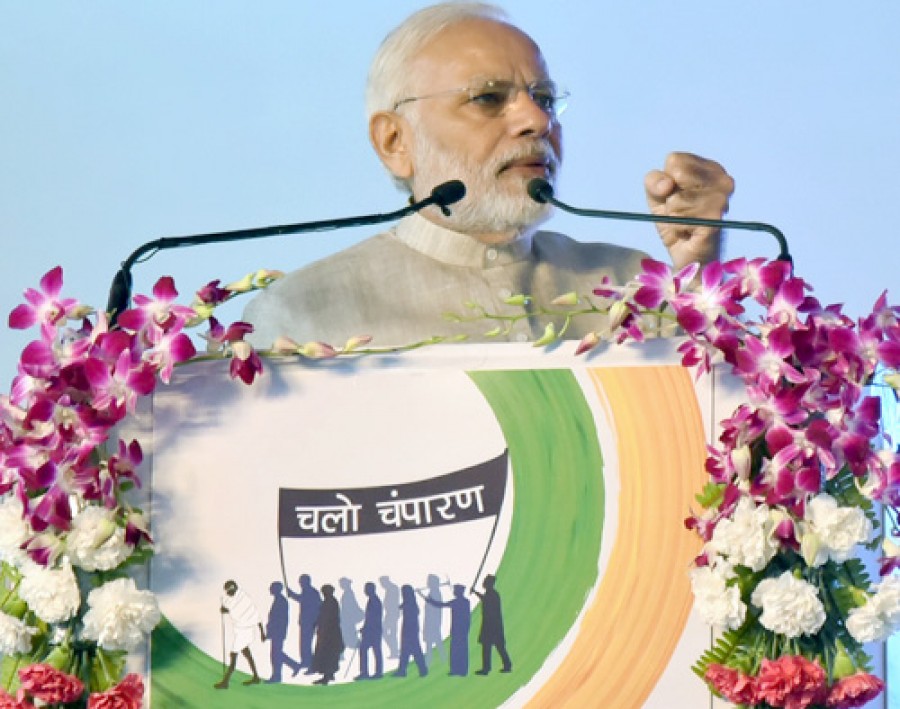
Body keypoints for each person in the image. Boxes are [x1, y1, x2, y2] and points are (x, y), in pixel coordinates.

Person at [243, 2, 733, 349]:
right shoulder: (301, 313)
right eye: (488, 98)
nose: (537, 121)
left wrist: (700, 270)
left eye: (544, 98)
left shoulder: (630, 285)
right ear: (395, 142)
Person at [214, 579, 265, 689]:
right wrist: (225, 610)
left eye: (229, 590)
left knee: (233, 655)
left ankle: (225, 682)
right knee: (247, 654)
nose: (228, 592)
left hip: (245, 632)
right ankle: (256, 677)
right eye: (227, 591)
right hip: (241, 631)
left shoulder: (243, 598)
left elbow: (254, 614)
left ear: (234, 588)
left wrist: (262, 632)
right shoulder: (233, 600)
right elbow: (233, 610)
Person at [473, 574, 510, 675]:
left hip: (492, 625)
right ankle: (488, 668)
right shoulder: (491, 594)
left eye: (485, 581)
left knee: (496, 647)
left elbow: (486, 601)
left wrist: (476, 593)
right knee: (490, 647)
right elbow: (484, 599)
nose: (484, 583)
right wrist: (476, 593)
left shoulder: (493, 594)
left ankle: (504, 666)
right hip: (491, 625)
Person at [312, 584, 344, 685]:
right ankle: (328, 674)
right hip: (328, 633)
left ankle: (327, 676)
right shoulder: (327, 602)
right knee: (328, 654)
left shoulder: (331, 602)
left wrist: (321, 627)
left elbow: (327, 618)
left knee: (328, 655)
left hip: (330, 634)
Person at [355, 581, 384, 680]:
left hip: (373, 631)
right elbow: (369, 618)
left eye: (366, 589)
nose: (365, 591)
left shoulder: (374, 601)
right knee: (368, 650)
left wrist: (366, 628)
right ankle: (367, 672)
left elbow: (373, 618)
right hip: (371, 630)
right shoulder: (372, 600)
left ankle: (375, 672)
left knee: (374, 650)